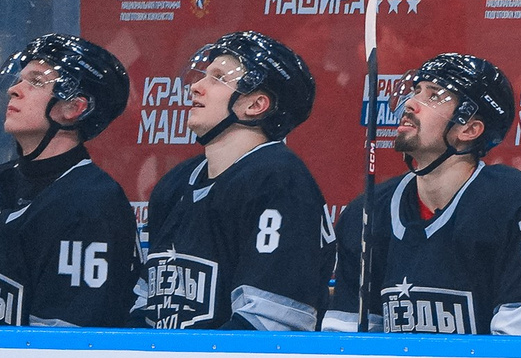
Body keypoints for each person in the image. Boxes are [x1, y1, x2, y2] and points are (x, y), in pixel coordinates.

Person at [322, 54, 521, 337]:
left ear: (469, 129)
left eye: (433, 96)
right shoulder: (366, 213)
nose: (410, 104)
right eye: (415, 91)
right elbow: (344, 345)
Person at [137, 31, 332, 332]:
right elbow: (145, 306)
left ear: (255, 105)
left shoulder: (279, 181)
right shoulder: (175, 184)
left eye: (217, 78)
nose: (196, 87)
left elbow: (268, 325)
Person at [0, 37, 139, 329]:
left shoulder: (93, 204)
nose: (14, 90)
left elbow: (65, 341)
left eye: (36, 82)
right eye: (20, 79)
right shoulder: (6, 181)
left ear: (74, 108)